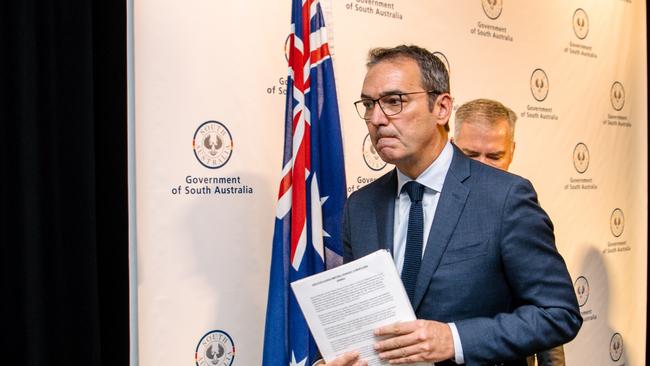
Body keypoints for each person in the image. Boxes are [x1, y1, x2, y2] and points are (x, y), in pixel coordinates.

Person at [319, 45, 581, 366]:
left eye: (393, 102)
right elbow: (358, 319)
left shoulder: (505, 197)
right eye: (369, 104)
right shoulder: (360, 206)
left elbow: (558, 314)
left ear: (441, 108)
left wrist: (454, 339)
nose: (376, 119)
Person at [453, 98, 566, 366]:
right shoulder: (425, 203)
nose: (482, 166)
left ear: (512, 151)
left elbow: (545, 303)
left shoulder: (519, 207)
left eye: (494, 156)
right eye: (470, 155)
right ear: (452, 146)